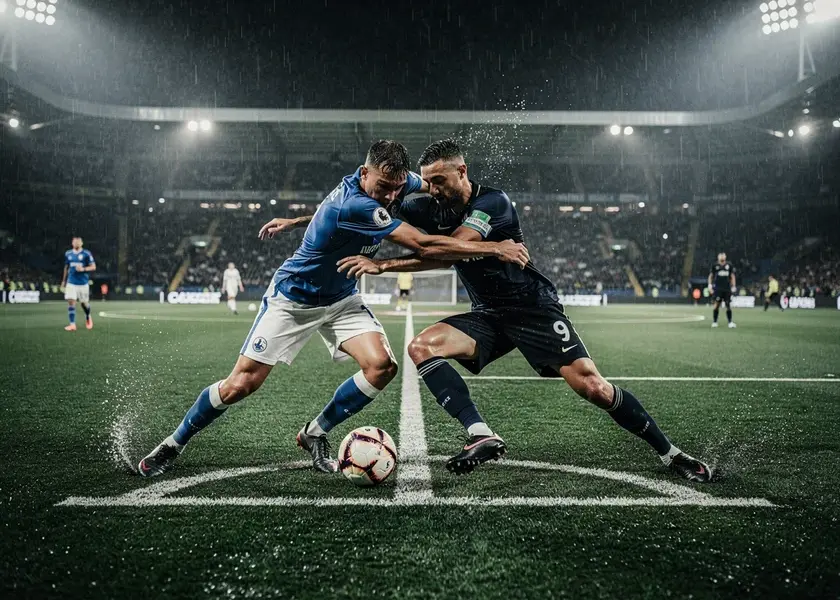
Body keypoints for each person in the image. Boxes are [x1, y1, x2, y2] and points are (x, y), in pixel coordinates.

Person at [138, 140, 529, 477]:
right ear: (364, 174)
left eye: (397, 189)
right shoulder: (355, 204)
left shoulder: (394, 183)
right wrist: (496, 247)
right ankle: (172, 444)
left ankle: (315, 432)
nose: (391, 197)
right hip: (294, 300)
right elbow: (423, 246)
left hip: (341, 297)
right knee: (241, 384)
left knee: (381, 367)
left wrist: (296, 221)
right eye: (383, 187)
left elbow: (346, 211)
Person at [338, 139, 713, 482]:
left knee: (594, 387)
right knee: (422, 347)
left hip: (533, 309)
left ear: (462, 172)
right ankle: (481, 435)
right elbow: (364, 211)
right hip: (488, 314)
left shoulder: (493, 203)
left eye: (439, 180)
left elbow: (451, 250)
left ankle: (672, 454)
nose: (433, 190)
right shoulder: (431, 206)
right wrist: (305, 222)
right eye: (428, 182)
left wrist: (385, 265)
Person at [61, 237, 96, 331]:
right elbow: (66, 267)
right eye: (74, 241)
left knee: (84, 303)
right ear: (72, 243)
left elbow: (93, 267)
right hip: (71, 282)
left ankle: (88, 316)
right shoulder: (68, 254)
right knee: (71, 301)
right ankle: (72, 324)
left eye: (78, 241)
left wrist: (83, 269)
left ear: (82, 243)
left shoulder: (86, 254)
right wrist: (64, 280)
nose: (76, 243)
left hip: (83, 283)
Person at [709, 252, 736, 328]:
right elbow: (711, 276)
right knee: (716, 305)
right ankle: (715, 322)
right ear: (718, 257)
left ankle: (730, 322)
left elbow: (732, 276)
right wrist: (710, 285)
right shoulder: (715, 265)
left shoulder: (729, 265)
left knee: (728, 305)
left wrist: (733, 286)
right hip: (718, 289)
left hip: (727, 289)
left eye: (723, 255)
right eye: (720, 255)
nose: (722, 257)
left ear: (725, 256)